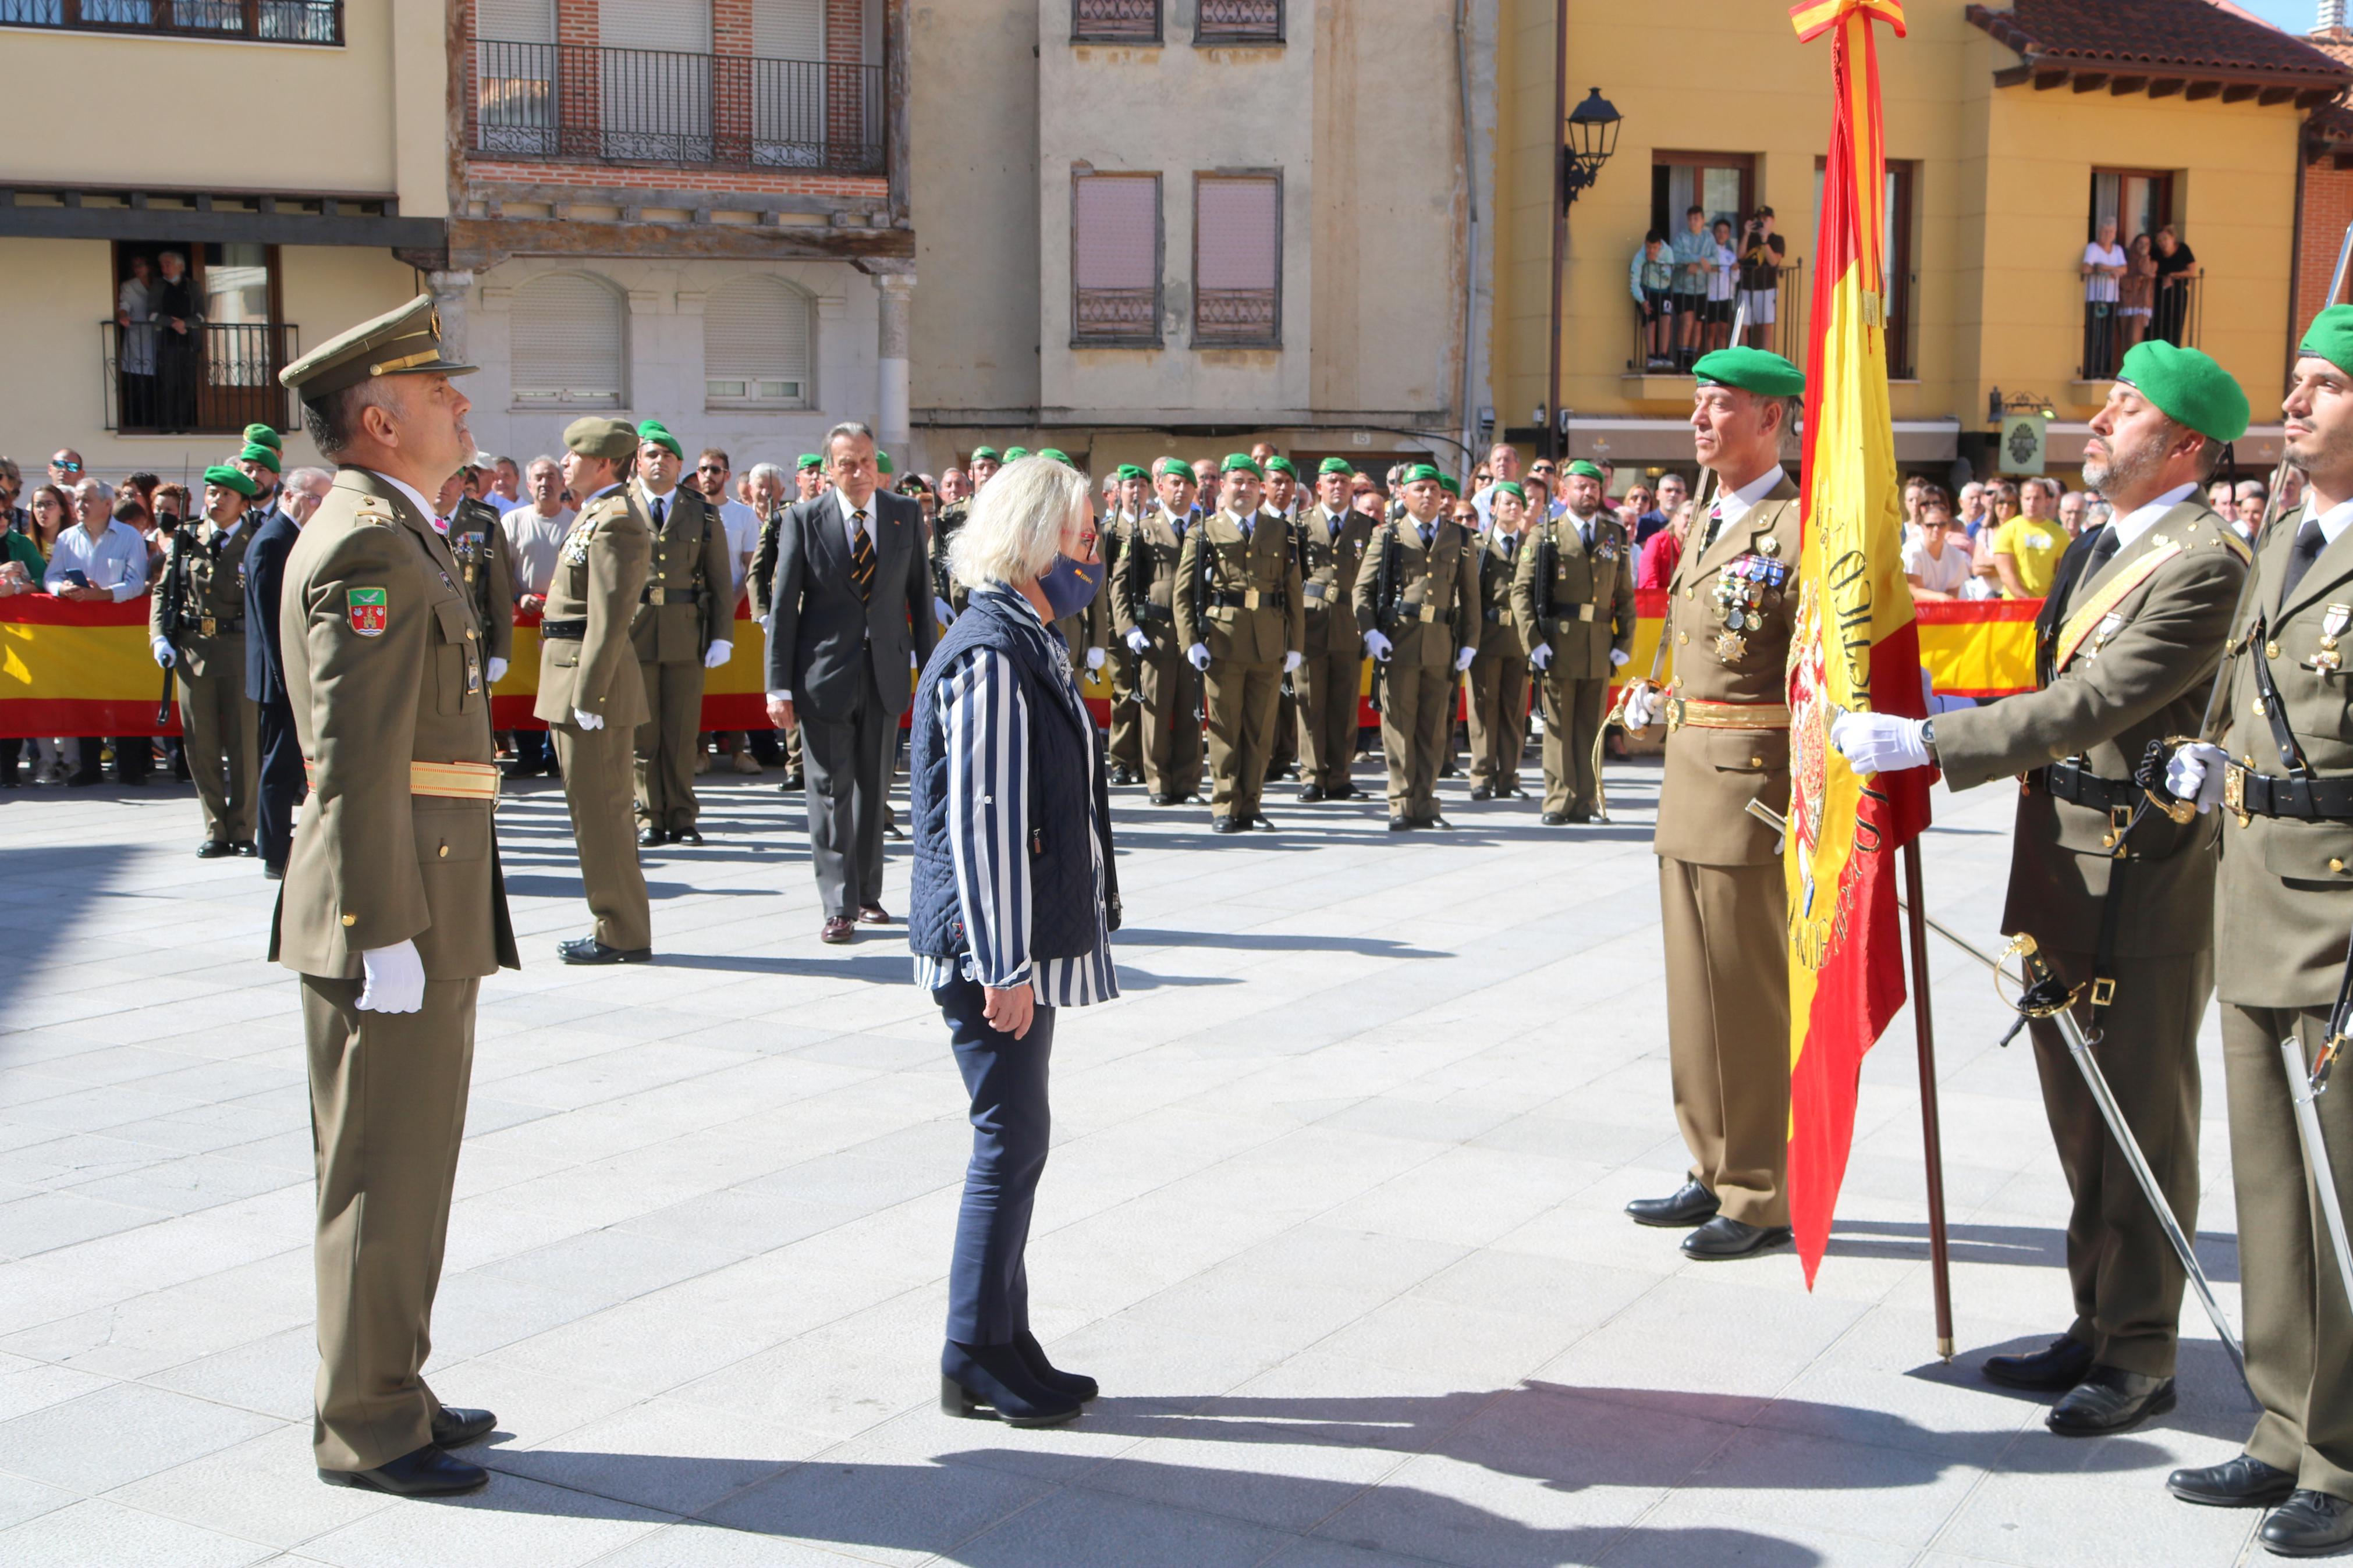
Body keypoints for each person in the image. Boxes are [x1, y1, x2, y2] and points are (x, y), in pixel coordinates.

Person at [1834, 337, 2249, 1435]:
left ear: (2184, 447)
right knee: (2077, 1117)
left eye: (2125, 410)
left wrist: (1929, 743)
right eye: (2107, 402)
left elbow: (2095, 701)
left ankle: (2142, 1353)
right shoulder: (2098, 545)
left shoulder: (2205, 561)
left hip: (2139, 877)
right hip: (2061, 863)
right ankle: (2094, 1322)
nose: (2097, 421)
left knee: (2139, 1121)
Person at [265, 294, 516, 1498]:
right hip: (396, 903)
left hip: (425, 890)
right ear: (377, 420)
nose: (459, 405)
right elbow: (355, 752)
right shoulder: (368, 541)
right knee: (378, 1169)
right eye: (435, 394)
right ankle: (365, 1422)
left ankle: (392, 1379)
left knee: (408, 1165)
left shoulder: (400, 527)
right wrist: (385, 929)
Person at [2162, 305, 2353, 1554]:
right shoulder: (2285, 535)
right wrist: (2203, 758)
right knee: (2269, 1194)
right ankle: (2281, 1426)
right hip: (2250, 893)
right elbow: (2253, 700)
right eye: (2294, 382)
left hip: (2338, 909)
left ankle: (2338, 1460)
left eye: (2322, 384)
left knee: (2342, 1194)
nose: (2293, 403)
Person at [910, 453, 1116, 1431]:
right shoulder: (992, 651)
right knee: (1007, 1141)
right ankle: (970, 1351)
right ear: (1033, 541)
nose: (1092, 554)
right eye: (1081, 536)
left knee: (1018, 1139)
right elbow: (985, 822)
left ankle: (1004, 1336)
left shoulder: (1023, 635)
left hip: (1007, 939)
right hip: (987, 946)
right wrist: (1004, 963)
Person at [1617, 345, 1804, 1260]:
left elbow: (1813, 674)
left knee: (1745, 997)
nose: (1698, 418)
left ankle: (1762, 1189)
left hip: (1749, 791)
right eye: (1696, 401)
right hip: (1687, 775)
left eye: (1718, 404)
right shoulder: (1704, 518)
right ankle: (1710, 1161)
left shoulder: (1796, 524)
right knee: (1693, 995)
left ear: (1768, 419)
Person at [765, 421, 936, 944]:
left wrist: (930, 676)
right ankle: (837, 904)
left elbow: (920, 603)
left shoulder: (905, 516)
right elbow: (784, 608)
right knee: (828, 789)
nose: (858, 471)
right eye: (846, 463)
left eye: (866, 460)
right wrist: (778, 685)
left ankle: (867, 894)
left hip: (884, 673)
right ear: (828, 469)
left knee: (872, 788)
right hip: (823, 677)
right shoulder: (802, 519)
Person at [539, 416, 655, 964]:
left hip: (592, 685)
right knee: (592, 810)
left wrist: (589, 696)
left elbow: (609, 621)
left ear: (604, 463)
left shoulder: (616, 521)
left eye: (574, 455)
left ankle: (620, 930)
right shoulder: (596, 512)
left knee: (604, 813)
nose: (564, 463)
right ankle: (615, 923)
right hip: (572, 673)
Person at [1175, 454, 1303, 833]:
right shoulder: (1204, 532)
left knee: (1260, 731)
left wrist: (1294, 642)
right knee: (1225, 729)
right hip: (1222, 641)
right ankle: (1225, 806)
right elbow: (1183, 594)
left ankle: (1251, 804)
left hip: (1267, 643)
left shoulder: (1280, 531)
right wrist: (1191, 641)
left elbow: (1292, 591)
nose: (1243, 488)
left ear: (1260, 488)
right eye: (1236, 481)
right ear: (1223, 487)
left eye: (1251, 481)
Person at [1354, 463, 1478, 830]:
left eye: (1434, 490)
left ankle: (1426, 804)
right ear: (1404, 494)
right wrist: (1371, 633)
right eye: (1420, 489)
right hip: (1400, 641)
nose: (1428, 495)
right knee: (1398, 728)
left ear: (1443, 497)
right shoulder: (1387, 535)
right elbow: (1362, 590)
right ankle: (1400, 804)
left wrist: (1470, 642)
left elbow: (1470, 597)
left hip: (1441, 643)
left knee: (1433, 730)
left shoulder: (1460, 538)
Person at [627, 422, 734, 844]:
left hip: (685, 633)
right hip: (634, 633)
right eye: (651, 455)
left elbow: (718, 579)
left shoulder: (702, 511)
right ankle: (648, 814)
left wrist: (721, 635)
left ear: (680, 465)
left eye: (667, 456)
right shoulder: (620, 506)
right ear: (638, 462)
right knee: (643, 733)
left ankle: (683, 815)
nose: (659, 462)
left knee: (682, 731)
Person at [1516, 458, 1635, 824]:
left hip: (1598, 643)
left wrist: (1624, 643)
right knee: (1558, 729)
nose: (1589, 494)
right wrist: (1534, 642)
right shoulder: (1545, 533)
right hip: (1559, 641)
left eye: (1595, 488)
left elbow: (1625, 595)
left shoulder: (1613, 535)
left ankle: (1587, 801)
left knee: (1590, 727)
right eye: (1581, 487)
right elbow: (1522, 592)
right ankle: (1558, 802)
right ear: (1564, 492)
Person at [152, 462, 264, 855]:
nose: (216, 501)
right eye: (211, 493)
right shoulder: (187, 538)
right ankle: (215, 828)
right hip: (193, 650)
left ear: (243, 502)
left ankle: (244, 828)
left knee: (244, 745)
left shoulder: (256, 540)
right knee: (201, 745)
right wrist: (158, 638)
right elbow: (163, 592)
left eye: (225, 495)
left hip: (240, 651)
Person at [244, 468, 326, 878]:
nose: (321, 509)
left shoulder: (290, 536)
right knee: (279, 765)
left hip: (288, 674)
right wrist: (288, 679)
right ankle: (274, 851)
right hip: (280, 678)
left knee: (288, 764)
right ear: (292, 495)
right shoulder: (274, 541)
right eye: (316, 499)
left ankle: (278, 843)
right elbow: (271, 621)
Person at [1111, 458, 1205, 806]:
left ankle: (1188, 782)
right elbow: (1120, 584)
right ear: (1161, 487)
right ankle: (1158, 783)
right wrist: (1129, 628)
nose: (1181, 490)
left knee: (1190, 710)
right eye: (1174, 483)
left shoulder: (1204, 527)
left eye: (1187, 484)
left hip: (1193, 634)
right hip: (1157, 631)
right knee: (1155, 709)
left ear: (1195, 491)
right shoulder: (1143, 528)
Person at [1294, 458, 1374, 803]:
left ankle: (1340, 776)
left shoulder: (1367, 527)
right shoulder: (1300, 525)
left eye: (1344, 481)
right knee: (1310, 703)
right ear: (1319, 488)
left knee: (1344, 705)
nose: (1338, 486)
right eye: (1332, 481)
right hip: (1310, 622)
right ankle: (1312, 775)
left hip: (1349, 623)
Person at [695, 446, 764, 775]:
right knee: (701, 681)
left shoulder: (744, 515)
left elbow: (751, 566)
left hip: (734, 608)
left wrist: (732, 601)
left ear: (727, 474)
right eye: (704, 469)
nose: (709, 475)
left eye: (715, 469)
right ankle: (700, 752)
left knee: (735, 679)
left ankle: (739, 751)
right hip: (695, 610)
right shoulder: (688, 511)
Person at [1464, 481, 1534, 800]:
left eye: (1518, 504)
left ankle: (1508, 776)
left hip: (1519, 639)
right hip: (1487, 637)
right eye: (1507, 503)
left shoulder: (1531, 546)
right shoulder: (1478, 546)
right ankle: (1481, 776)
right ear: (1492, 508)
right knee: (1483, 708)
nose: (1513, 508)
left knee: (1513, 710)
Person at [1099, 464, 1150, 784]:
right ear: (1116, 493)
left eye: (1142, 485)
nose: (1136, 491)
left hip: (1150, 620)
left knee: (1148, 691)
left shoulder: (1154, 526)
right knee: (1124, 691)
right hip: (1116, 621)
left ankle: (1147, 760)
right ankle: (1121, 760)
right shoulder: (1108, 530)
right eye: (1130, 485)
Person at [151, 250, 203, 433]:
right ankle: (166, 426)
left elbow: (201, 315)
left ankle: (182, 425)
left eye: (168, 264)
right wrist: (174, 323)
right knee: (167, 384)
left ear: (180, 266)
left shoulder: (193, 287)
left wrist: (185, 324)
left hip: (188, 343)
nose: (164, 268)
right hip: (166, 343)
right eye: (163, 264)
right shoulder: (158, 286)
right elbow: (153, 314)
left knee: (186, 384)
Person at [1903, 486, 1972, 600]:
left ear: (1948, 527)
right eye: (1931, 525)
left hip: (1945, 613)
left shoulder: (1956, 555)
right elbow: (1914, 591)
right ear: (1923, 527)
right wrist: (1942, 598)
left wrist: (1946, 601)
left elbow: (1954, 592)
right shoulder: (1912, 552)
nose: (1936, 529)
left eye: (1941, 525)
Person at [116, 253, 158, 428]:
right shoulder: (129, 286)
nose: (138, 268)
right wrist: (123, 316)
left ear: (149, 266)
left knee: (157, 383)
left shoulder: (159, 284)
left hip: (159, 336)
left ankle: (155, 420)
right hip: (137, 337)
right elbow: (124, 306)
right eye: (135, 265)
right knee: (138, 383)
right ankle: (139, 422)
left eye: (141, 264)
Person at [2082, 218, 2128, 378]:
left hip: (2111, 299)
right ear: (2099, 233)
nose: (2108, 234)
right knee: (2095, 333)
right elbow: (2087, 268)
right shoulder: (2093, 248)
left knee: (2108, 335)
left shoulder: (2117, 250)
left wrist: (2105, 268)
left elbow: (2124, 269)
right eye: (2105, 231)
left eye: (2111, 231)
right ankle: (2092, 370)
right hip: (2095, 298)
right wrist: (2110, 270)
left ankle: (2104, 369)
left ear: (2115, 234)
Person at [1670, 204, 1713, 371]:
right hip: (1682, 288)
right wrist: (1697, 260)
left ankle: (1690, 361)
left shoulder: (1709, 239)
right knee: (1687, 322)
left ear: (1703, 220)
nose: (1693, 222)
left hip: (1701, 289)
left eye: (1696, 219)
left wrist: (1699, 263)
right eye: (1690, 219)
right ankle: (1681, 361)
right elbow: (1675, 256)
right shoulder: (1681, 238)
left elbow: (1715, 258)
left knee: (1698, 325)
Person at [1738, 208, 1786, 350]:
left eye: (1766, 220)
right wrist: (1746, 234)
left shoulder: (1777, 239)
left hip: (1767, 288)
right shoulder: (1750, 238)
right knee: (1742, 324)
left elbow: (1774, 261)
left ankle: (1765, 359)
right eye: (1760, 220)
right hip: (1746, 286)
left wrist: (1765, 242)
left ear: (1773, 221)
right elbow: (1740, 257)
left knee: (1766, 325)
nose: (1762, 223)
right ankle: (1742, 357)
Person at [1630, 231, 1675, 370]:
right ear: (1645, 244)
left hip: (1664, 291)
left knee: (1666, 320)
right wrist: (1642, 300)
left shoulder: (1667, 252)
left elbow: (1669, 276)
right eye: (1649, 247)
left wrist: (1656, 261)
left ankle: (1664, 355)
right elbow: (1634, 281)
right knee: (1651, 321)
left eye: (1654, 248)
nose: (1651, 250)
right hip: (1647, 291)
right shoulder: (1640, 256)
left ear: (1660, 246)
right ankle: (1651, 357)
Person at [2153, 225, 2199, 347]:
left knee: (2176, 326)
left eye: (2165, 239)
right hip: (2160, 294)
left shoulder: (2183, 249)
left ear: (2173, 238)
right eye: (2159, 240)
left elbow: (2191, 271)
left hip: (2178, 294)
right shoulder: (2156, 253)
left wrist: (2173, 275)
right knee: (2159, 326)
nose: (2162, 243)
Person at [1639, 497, 1694, 589]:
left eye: (1696, 518)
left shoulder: (1700, 546)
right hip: (1661, 601)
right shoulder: (1657, 542)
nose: (1691, 522)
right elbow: (1649, 585)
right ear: (1675, 519)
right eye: (1688, 516)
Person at [1703, 216, 1739, 352]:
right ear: (1714, 232)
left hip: (1727, 297)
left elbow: (1736, 279)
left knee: (1724, 332)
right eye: (1719, 231)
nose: (1722, 234)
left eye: (1725, 232)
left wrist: (1735, 270)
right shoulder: (1708, 253)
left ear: (1729, 235)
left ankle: (1721, 363)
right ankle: (1710, 363)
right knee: (1710, 332)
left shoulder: (1731, 255)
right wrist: (1712, 269)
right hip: (1711, 297)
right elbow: (1705, 271)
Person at [2119, 232, 2156, 354]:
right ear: (2135, 244)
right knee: (2124, 340)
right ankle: (2124, 369)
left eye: (2147, 244)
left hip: (2142, 303)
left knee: (2135, 340)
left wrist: (2145, 256)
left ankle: (2133, 371)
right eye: (2140, 243)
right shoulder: (2126, 262)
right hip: (2126, 301)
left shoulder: (2153, 263)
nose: (2143, 246)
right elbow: (2123, 281)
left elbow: (2146, 271)